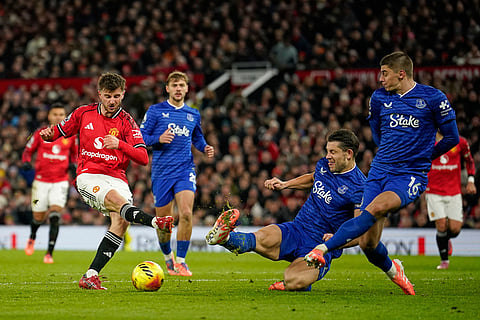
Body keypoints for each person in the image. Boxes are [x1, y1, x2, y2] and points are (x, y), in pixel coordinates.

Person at [304, 52, 460, 295]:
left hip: (409, 175)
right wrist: (387, 152)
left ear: (401, 73)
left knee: (375, 208)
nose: (380, 78)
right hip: (379, 171)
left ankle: (322, 249)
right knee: (368, 244)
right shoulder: (379, 98)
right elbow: (377, 133)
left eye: (384, 73)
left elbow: (452, 137)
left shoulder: (432, 98)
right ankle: (394, 271)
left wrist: (423, 157)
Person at [39, 72, 173, 290]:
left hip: (117, 177)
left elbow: (142, 157)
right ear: (100, 94)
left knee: (120, 221)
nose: (113, 101)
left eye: (117, 96)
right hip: (88, 175)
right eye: (108, 96)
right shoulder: (83, 113)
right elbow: (60, 131)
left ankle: (90, 275)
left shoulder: (127, 122)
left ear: (123, 94)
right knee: (116, 202)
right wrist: (48, 134)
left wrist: (119, 144)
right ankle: (155, 222)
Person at [206, 129, 366, 291]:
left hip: (319, 248)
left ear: (349, 154)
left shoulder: (360, 188)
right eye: (327, 151)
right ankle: (224, 238)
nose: (327, 156)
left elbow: (361, 232)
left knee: (293, 279)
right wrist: (285, 184)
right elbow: (313, 178)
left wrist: (335, 240)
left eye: (333, 152)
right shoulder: (326, 165)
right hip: (297, 229)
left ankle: (295, 283)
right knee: (261, 238)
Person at [140, 71, 214, 276]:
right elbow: (141, 137)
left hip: (185, 170)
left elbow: (197, 137)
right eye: (174, 85)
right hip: (162, 173)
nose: (178, 89)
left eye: (182, 85)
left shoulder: (193, 114)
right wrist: (158, 138)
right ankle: (168, 258)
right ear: (167, 89)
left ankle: (181, 261)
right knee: (164, 223)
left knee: (187, 214)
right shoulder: (156, 111)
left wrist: (205, 147)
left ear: (187, 88)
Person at [22, 103, 78, 264]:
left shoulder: (70, 136)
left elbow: (75, 154)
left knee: (54, 215)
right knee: (38, 217)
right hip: (40, 182)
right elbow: (27, 150)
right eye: (55, 114)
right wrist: (26, 161)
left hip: (60, 182)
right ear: (49, 116)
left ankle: (49, 253)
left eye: (62, 114)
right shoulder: (40, 133)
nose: (59, 117)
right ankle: (32, 237)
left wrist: (74, 164)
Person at [425, 132, 476, 269]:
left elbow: (469, 161)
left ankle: (445, 239)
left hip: (454, 191)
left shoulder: (460, 141)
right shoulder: (427, 140)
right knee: (441, 224)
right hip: (434, 191)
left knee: (455, 229)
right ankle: (444, 261)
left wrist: (470, 181)